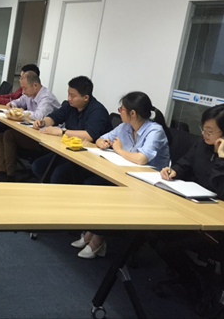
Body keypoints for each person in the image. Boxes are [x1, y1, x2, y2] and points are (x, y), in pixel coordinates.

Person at [73, 91, 171, 259]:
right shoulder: (125, 126)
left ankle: (98, 239)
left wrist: (118, 150)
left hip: (148, 185)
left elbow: (141, 159)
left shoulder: (155, 131)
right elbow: (100, 138)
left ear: (132, 113)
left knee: (103, 191)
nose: (119, 112)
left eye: (121, 109)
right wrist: (102, 143)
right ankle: (92, 232)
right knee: (92, 183)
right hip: (126, 175)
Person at [151, 104, 224, 309]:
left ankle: (194, 280)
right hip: (193, 208)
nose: (204, 134)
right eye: (203, 128)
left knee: (164, 243)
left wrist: (222, 156)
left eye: (210, 131)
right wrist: (173, 171)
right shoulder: (202, 145)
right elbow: (185, 163)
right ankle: (191, 275)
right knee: (152, 232)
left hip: (219, 225)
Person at [31, 76, 112, 183]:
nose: (69, 98)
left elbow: (90, 136)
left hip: (89, 157)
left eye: (73, 96)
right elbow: (55, 117)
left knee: (59, 175)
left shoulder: (97, 111)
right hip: (69, 150)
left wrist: (62, 132)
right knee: (38, 166)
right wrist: (43, 122)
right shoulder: (70, 105)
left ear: (86, 97)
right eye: (68, 94)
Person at [0, 72, 60, 182]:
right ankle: (1, 172)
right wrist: (12, 105)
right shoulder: (30, 94)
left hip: (45, 140)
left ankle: (10, 176)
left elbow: (39, 116)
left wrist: (21, 112)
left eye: (25, 88)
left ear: (35, 85)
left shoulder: (46, 98)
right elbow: (17, 102)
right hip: (32, 132)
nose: (23, 92)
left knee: (9, 135)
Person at [0, 64, 40, 139]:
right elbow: (12, 97)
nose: (20, 80)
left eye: (22, 77)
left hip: (20, 125)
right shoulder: (24, 89)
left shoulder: (38, 94)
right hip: (14, 120)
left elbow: (38, 115)